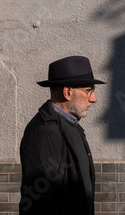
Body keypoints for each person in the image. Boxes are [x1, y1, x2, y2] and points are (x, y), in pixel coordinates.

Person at [19, 56, 105, 215]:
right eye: (88, 91)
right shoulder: (43, 131)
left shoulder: (72, 126)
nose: (93, 99)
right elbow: (39, 202)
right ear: (68, 92)